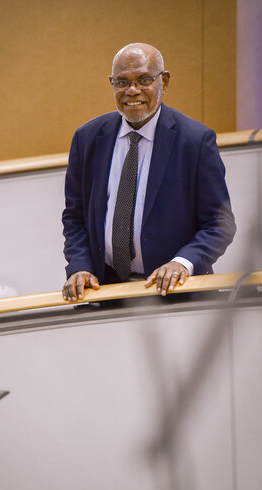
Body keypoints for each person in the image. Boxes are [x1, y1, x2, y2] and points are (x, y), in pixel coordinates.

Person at [62, 43, 236, 301]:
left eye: (143, 79)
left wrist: (182, 262)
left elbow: (219, 223)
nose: (132, 90)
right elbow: (75, 218)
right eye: (121, 82)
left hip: (178, 293)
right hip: (106, 293)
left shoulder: (195, 141)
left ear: (163, 82)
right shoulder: (87, 138)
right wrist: (81, 267)